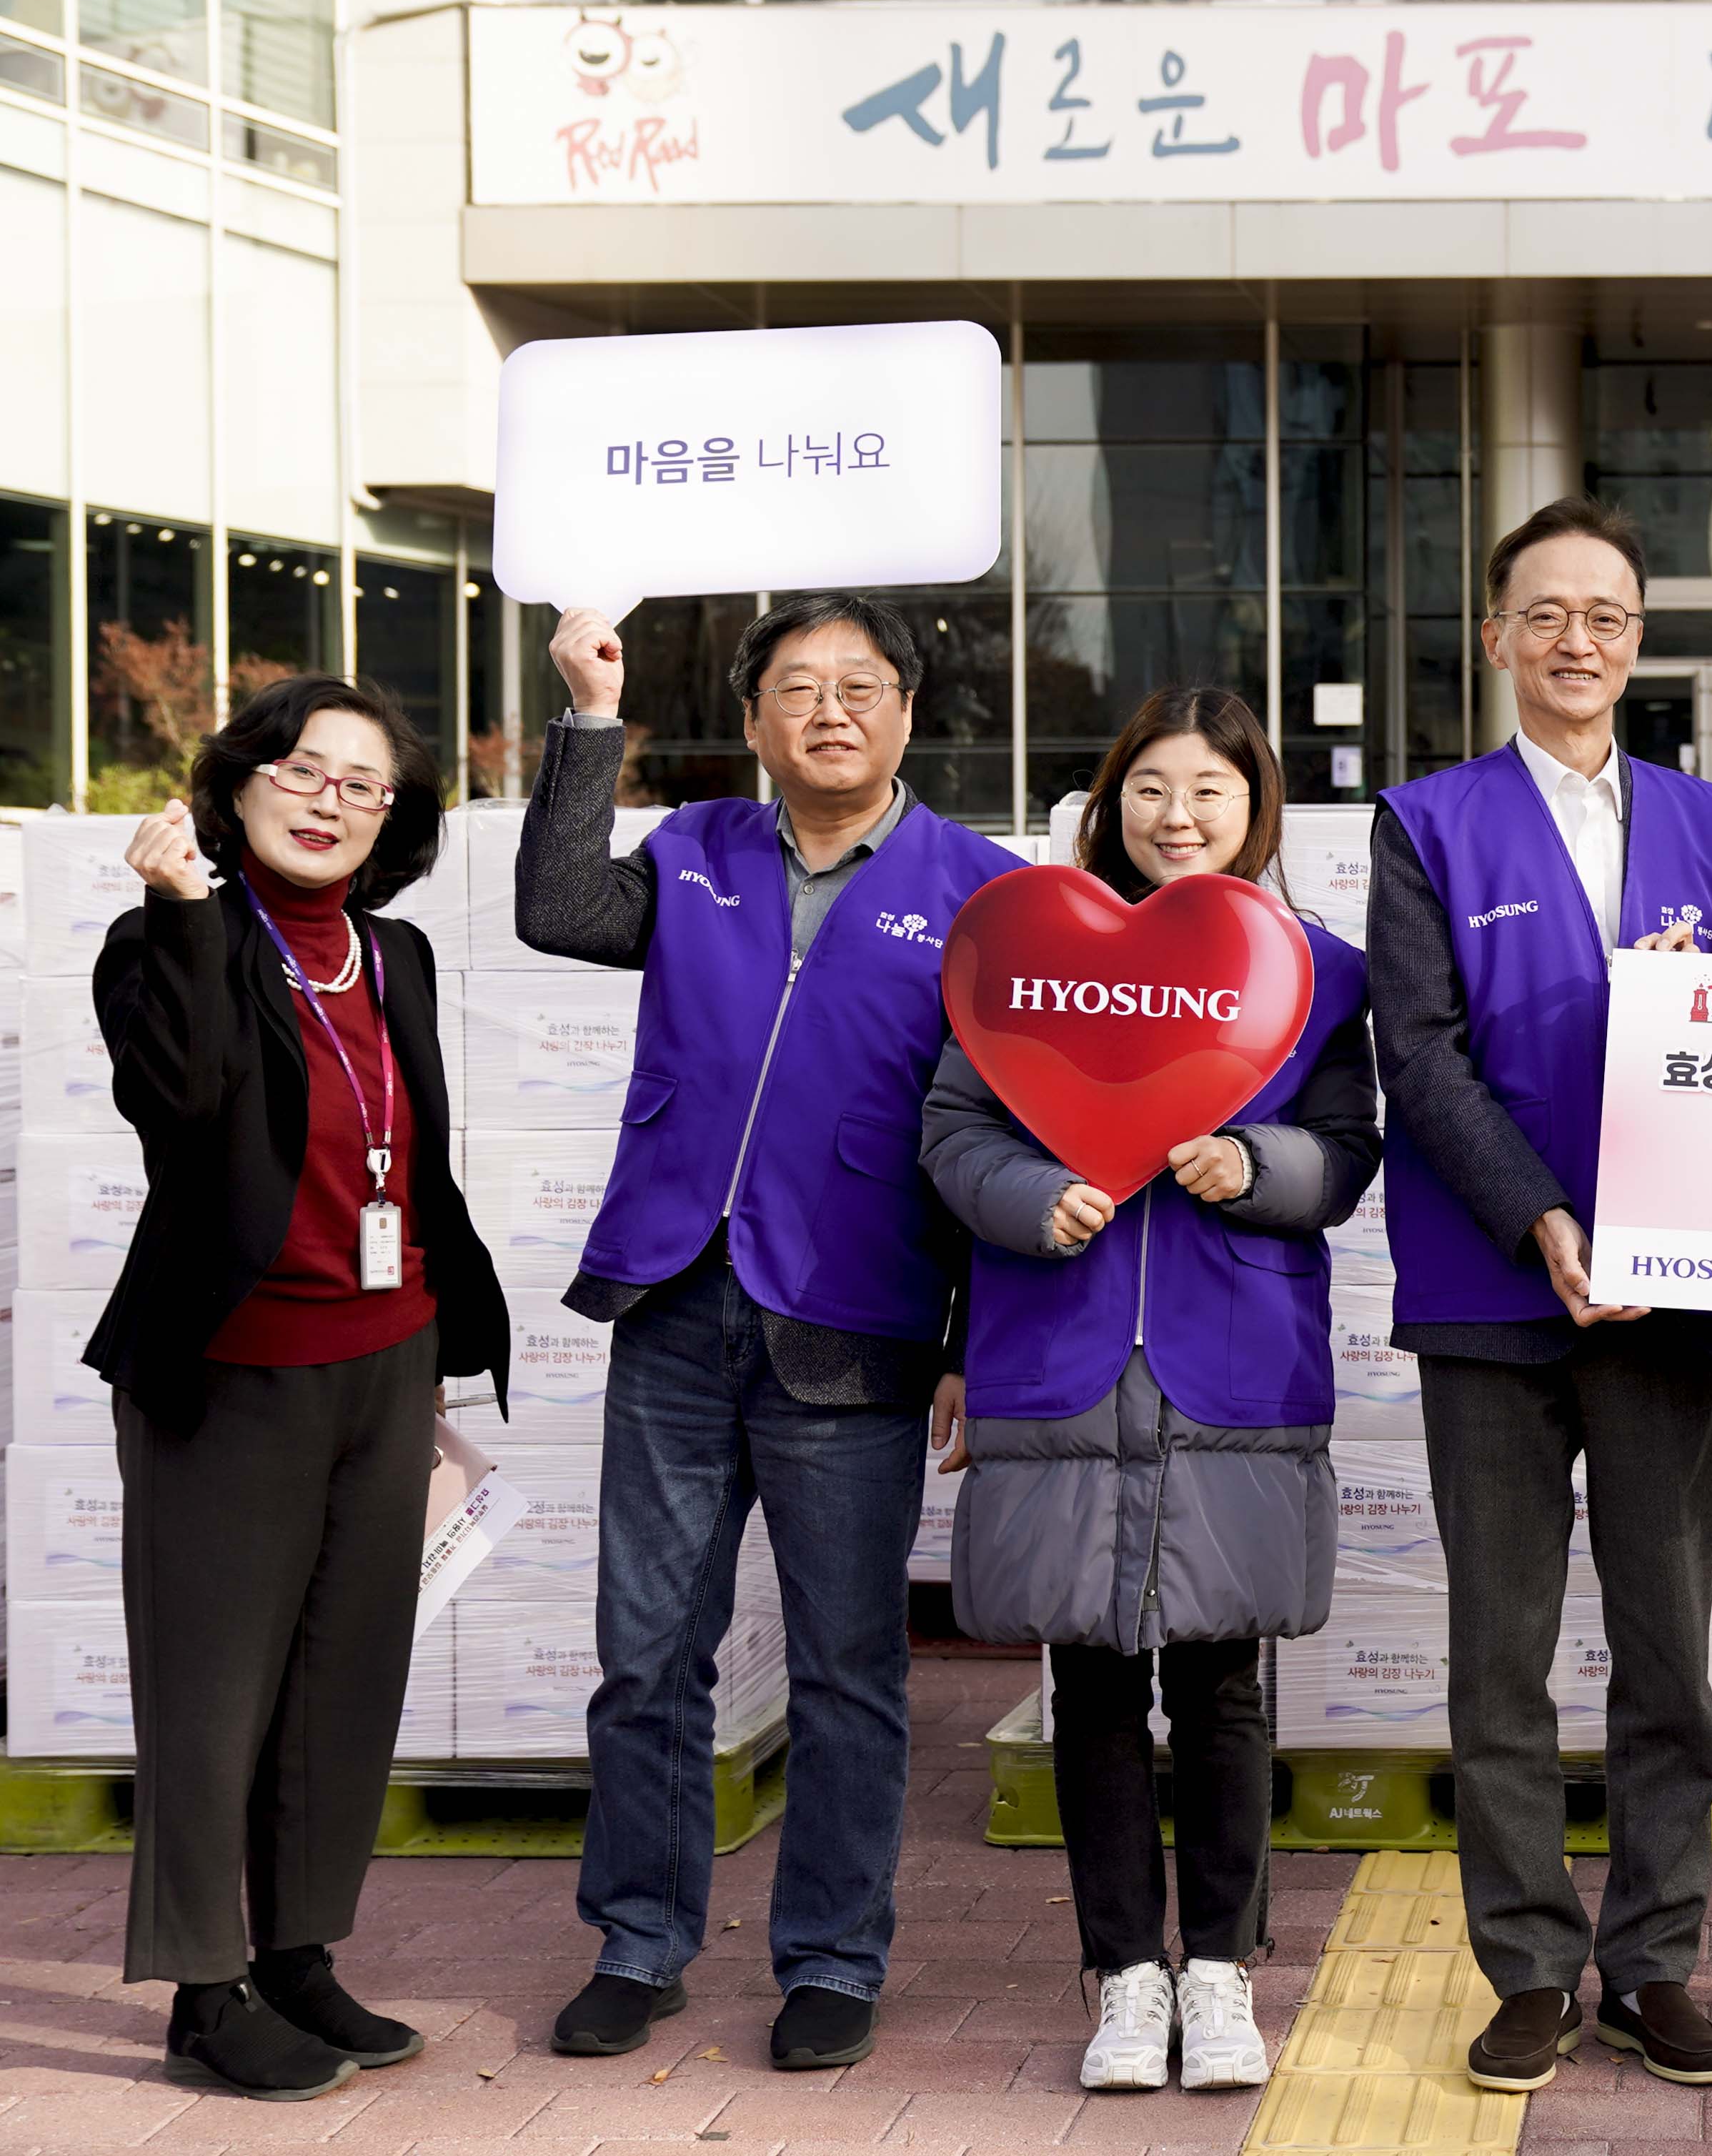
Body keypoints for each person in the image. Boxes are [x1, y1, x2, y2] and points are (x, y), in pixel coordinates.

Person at [519, 592, 1020, 2071]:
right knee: (647, 1646)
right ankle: (640, 1938)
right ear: (751, 723)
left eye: (859, 686)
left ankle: (831, 1958)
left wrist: (976, 1336)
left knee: (848, 1664)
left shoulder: (981, 894)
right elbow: (556, 905)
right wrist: (590, 714)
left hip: (855, 1321)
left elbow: (1008, 1126)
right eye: (795, 689)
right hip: (675, 1301)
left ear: (908, 713)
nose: (827, 711)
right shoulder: (694, 857)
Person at [1369, 497, 1712, 2096]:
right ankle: (1532, 1967)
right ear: (1495, 637)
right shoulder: (1428, 821)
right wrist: (1545, 1216)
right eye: (1542, 613)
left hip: (1672, 1303)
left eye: (1604, 615)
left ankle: (1657, 1960)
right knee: (1503, 1656)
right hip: (1491, 1290)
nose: (1574, 641)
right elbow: (1418, 1052)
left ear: (1638, 640)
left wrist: (1707, 1234)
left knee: (1670, 1653)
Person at [920, 688, 1377, 2093]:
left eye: (1210, 792)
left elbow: (1348, 1146)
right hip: (1058, 1354)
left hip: (1232, 1360)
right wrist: (1023, 1196)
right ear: (1110, 802)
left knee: (1228, 1678)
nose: (1177, 817)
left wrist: (1263, 1168)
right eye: (1150, 791)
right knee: (1093, 1678)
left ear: (1257, 809)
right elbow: (953, 1128)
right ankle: (1123, 1972)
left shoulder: (1318, 971)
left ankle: (1224, 1968)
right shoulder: (1027, 956)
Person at [93, 676, 510, 2101]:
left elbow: (409, 1156)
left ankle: (300, 1953)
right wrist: (185, 916)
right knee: (214, 1699)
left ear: (391, 817)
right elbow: (191, 1108)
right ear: (243, 778)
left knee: (345, 1683)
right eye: (304, 768)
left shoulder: (394, 956)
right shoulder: (162, 943)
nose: (330, 798)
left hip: (384, 1358)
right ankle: (205, 1989)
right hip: (231, 1373)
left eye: (364, 782)